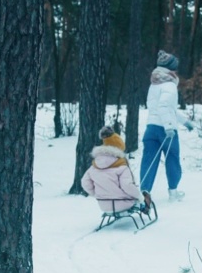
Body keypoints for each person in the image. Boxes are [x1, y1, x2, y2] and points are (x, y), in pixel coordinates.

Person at [140, 50, 193, 202]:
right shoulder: (169, 85)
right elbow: (164, 107)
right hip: (166, 130)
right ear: (171, 69)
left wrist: (184, 122)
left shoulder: (154, 85)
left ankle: (145, 192)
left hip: (151, 128)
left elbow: (162, 108)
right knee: (172, 160)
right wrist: (169, 127)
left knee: (148, 160)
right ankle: (173, 192)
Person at [81, 124, 146, 213]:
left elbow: (85, 182)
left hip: (103, 205)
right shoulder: (121, 167)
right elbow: (127, 186)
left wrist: (97, 194)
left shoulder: (94, 166)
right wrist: (140, 197)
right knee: (140, 198)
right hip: (124, 203)